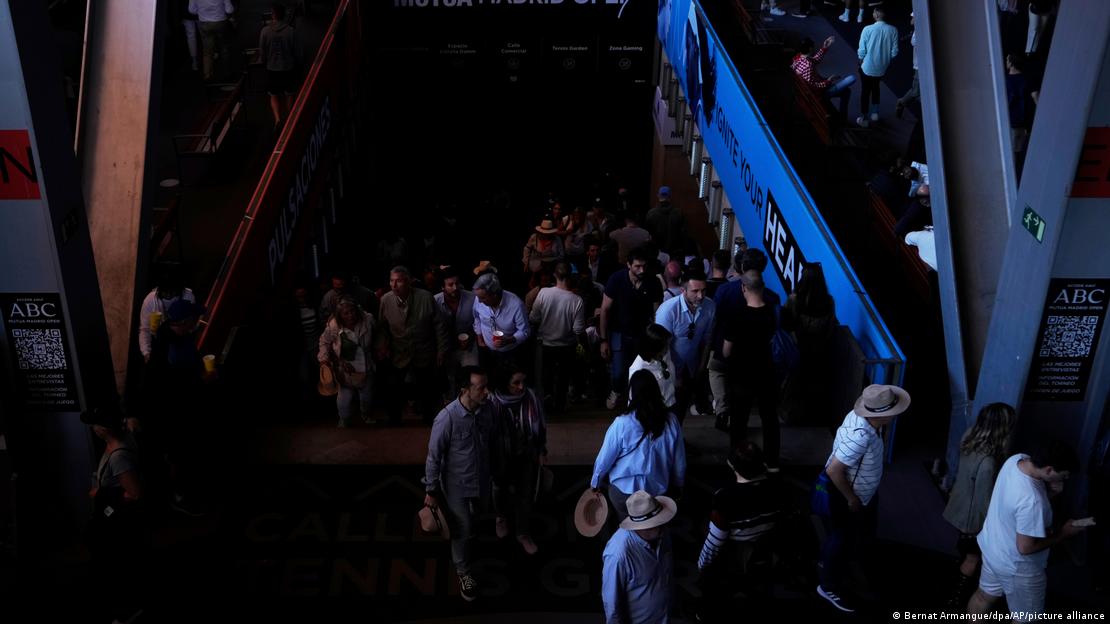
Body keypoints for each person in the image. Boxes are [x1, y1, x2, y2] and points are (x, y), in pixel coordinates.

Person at [816, 384, 911, 613]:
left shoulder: (864, 420)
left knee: (847, 536)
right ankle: (827, 585)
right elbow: (834, 471)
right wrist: (851, 499)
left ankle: (835, 562)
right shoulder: (861, 436)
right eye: (894, 409)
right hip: (849, 495)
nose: (897, 412)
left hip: (862, 492)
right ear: (883, 415)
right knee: (841, 537)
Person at [967, 440, 1088, 621]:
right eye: (1063, 475)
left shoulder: (1016, 461)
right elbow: (1025, 547)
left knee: (983, 597)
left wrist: (1052, 494)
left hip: (993, 549)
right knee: (1025, 619)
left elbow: (1018, 510)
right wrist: (1064, 534)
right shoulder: (1032, 501)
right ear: (1049, 470)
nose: (1065, 479)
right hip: (1017, 567)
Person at [423, 366, 502, 602]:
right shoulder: (446, 418)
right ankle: (463, 572)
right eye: (481, 388)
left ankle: (466, 547)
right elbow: (433, 456)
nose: (487, 392)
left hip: (481, 482)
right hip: (456, 485)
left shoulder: (488, 411)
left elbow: (493, 441)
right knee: (463, 529)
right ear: (465, 390)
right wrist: (431, 489)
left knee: (475, 521)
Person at [697, 442, 789, 616]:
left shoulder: (725, 497)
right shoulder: (779, 489)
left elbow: (715, 541)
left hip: (733, 555)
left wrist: (703, 565)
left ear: (732, 466)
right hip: (764, 550)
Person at [941, 403, 1017, 610]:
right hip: (973, 518)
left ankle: (955, 586)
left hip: (959, 506)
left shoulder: (969, 436)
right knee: (973, 559)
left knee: (965, 554)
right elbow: (984, 501)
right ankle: (956, 598)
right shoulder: (989, 463)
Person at [591, 370, 686, 522]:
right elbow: (680, 463)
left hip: (624, 495)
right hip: (657, 495)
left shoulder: (622, 423)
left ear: (632, 393)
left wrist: (595, 484)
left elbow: (604, 461)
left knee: (626, 525)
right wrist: (678, 486)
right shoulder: (672, 421)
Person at [83, 406, 147, 624]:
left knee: (115, 566)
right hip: (113, 518)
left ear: (103, 429)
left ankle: (126, 612)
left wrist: (100, 493)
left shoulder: (119, 455)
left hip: (117, 522)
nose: (92, 429)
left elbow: (135, 493)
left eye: (95, 425)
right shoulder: (118, 440)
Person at [375, 266, 449, 425]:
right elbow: (381, 327)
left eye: (399, 281)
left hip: (424, 350)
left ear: (409, 282)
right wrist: (382, 345)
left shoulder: (426, 297)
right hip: (398, 351)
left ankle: (430, 421)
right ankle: (394, 420)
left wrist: (441, 350)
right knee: (393, 387)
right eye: (391, 281)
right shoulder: (385, 300)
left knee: (427, 388)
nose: (394, 285)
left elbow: (439, 326)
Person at [722, 271, 780, 467]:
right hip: (767, 372)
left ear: (743, 288)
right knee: (770, 419)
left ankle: (738, 461)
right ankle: (772, 462)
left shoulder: (736, 315)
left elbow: (726, 351)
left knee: (739, 421)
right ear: (762, 287)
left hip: (741, 375)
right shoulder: (773, 311)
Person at [490, 365, 547, 555]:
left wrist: (541, 451)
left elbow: (540, 425)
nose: (521, 387)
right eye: (516, 382)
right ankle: (501, 517)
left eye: (523, 381)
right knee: (500, 488)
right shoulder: (492, 401)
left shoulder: (530, 397)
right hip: (501, 456)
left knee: (525, 494)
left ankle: (523, 532)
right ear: (505, 383)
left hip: (526, 453)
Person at [600, 248, 664, 410]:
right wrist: (603, 339)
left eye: (644, 266)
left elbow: (657, 311)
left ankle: (634, 400)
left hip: (642, 333)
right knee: (619, 371)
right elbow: (605, 309)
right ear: (628, 265)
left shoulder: (653, 282)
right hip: (619, 331)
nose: (641, 270)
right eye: (637, 266)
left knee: (639, 370)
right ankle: (615, 391)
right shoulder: (617, 279)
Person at [601, 490, 678, 624]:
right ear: (646, 527)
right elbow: (612, 606)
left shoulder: (662, 533)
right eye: (658, 522)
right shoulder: (618, 555)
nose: (663, 524)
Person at [781, 263, 837, 425]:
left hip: (797, 350)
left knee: (793, 386)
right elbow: (830, 328)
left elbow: (785, 322)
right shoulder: (829, 301)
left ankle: (790, 416)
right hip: (819, 352)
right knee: (813, 388)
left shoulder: (794, 299)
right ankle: (811, 418)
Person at [655, 269, 715, 420]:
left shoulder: (710, 306)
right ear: (683, 290)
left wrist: (701, 367)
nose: (700, 296)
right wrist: (673, 374)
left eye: (703, 290)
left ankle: (677, 439)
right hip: (667, 367)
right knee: (664, 408)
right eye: (695, 291)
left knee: (681, 408)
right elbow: (661, 347)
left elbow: (707, 340)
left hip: (691, 366)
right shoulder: (668, 310)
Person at [529, 262, 586, 415]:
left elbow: (534, 317)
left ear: (554, 275)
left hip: (545, 344)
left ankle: (546, 405)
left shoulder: (543, 293)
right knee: (563, 378)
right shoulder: (577, 300)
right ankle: (559, 407)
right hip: (567, 345)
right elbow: (578, 329)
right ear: (571, 277)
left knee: (545, 376)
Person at [318, 296, 374, 427]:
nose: (351, 316)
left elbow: (379, 332)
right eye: (346, 313)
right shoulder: (334, 326)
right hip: (345, 368)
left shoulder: (368, 320)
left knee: (367, 397)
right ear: (340, 315)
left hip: (366, 365)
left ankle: (366, 416)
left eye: (353, 311)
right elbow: (324, 341)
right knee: (344, 401)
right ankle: (344, 419)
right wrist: (324, 359)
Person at [434, 266, 479, 400]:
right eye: (450, 285)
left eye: (457, 283)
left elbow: (479, 322)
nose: (455, 287)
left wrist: (470, 337)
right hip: (446, 347)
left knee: (472, 375)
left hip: (468, 345)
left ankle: (471, 401)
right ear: (442, 287)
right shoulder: (435, 301)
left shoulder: (472, 298)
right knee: (449, 378)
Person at [473, 272, 531, 375]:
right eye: (478, 297)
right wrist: (479, 338)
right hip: (486, 349)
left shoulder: (516, 305)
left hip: (509, 352)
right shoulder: (478, 299)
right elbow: (477, 318)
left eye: (483, 298)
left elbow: (525, 331)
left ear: (494, 295)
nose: (479, 301)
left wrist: (509, 340)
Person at [138, 268, 196, 363]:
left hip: (183, 341)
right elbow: (145, 329)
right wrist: (146, 352)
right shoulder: (150, 300)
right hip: (159, 342)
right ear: (159, 289)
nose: (169, 295)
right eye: (165, 291)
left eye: (172, 291)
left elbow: (191, 323)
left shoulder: (188, 297)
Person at [259, 2, 302, 126]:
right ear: (284, 15)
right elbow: (297, 51)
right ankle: (290, 118)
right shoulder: (290, 31)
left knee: (274, 94)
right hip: (288, 67)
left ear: (273, 15)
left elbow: (262, 50)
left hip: (272, 68)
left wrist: (264, 62)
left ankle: (277, 119)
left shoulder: (265, 31)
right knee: (289, 93)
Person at [856, 7, 899, 127]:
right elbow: (894, 52)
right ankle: (875, 113)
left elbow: (862, 50)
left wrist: (860, 62)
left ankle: (864, 117)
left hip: (867, 67)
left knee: (865, 91)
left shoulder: (867, 29)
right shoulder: (893, 30)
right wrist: (885, 59)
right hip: (882, 68)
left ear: (876, 14)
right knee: (876, 87)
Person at [792, 36, 856, 117]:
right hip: (819, 94)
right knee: (847, 90)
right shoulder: (808, 66)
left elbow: (815, 60)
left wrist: (824, 47)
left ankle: (842, 118)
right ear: (811, 49)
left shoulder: (798, 58)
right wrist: (829, 80)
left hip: (807, 89)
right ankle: (843, 119)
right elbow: (815, 86)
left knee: (845, 90)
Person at [628, 324, 677, 411]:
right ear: (654, 348)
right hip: (656, 413)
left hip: (671, 404)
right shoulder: (638, 370)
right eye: (665, 346)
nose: (667, 348)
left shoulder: (663, 354)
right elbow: (637, 404)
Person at [188, 0, 235, 81]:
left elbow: (192, 10)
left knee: (207, 51)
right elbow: (229, 10)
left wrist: (202, 11)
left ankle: (207, 75)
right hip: (221, 21)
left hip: (204, 23)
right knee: (224, 48)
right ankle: (227, 73)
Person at [644, 186, 687, 260]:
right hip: (674, 253)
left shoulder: (651, 213)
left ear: (658, 196)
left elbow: (647, 234)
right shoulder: (678, 213)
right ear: (670, 196)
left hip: (655, 253)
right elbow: (683, 233)